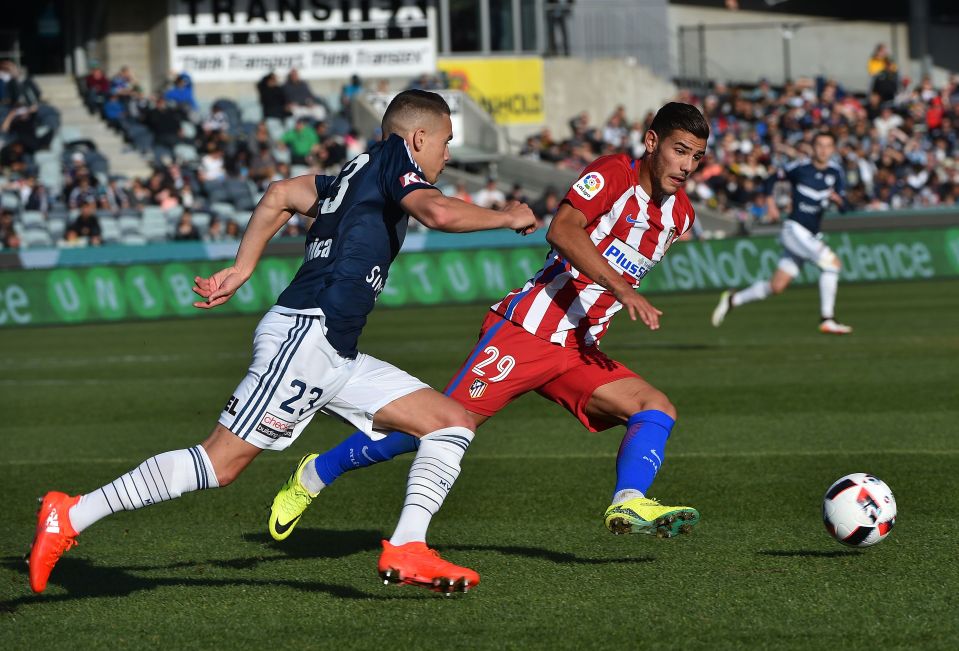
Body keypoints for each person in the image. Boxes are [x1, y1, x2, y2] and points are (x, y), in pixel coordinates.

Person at [27, 89, 536, 596]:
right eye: (446, 141)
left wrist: (242, 269)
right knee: (219, 463)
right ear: (418, 136)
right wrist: (507, 216)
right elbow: (439, 214)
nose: (448, 155)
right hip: (306, 334)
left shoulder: (357, 172)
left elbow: (280, 194)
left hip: (333, 349)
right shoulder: (395, 161)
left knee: (450, 423)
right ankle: (71, 513)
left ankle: (407, 546)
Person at [266, 102, 709, 557]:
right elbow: (561, 230)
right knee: (435, 425)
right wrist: (622, 289)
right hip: (525, 332)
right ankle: (316, 472)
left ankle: (628, 503)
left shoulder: (680, 216)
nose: (687, 165)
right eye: (679, 150)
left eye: (696, 156)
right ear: (652, 142)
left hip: (577, 347)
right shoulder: (613, 173)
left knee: (654, 407)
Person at [711, 131, 852, 334]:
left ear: (833, 149)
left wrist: (840, 202)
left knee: (776, 286)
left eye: (828, 145)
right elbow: (770, 180)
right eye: (819, 145)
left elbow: (845, 208)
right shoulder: (800, 169)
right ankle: (827, 318)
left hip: (810, 235)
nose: (823, 150)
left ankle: (733, 299)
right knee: (833, 265)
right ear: (812, 147)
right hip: (795, 229)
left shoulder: (836, 173)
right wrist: (771, 204)